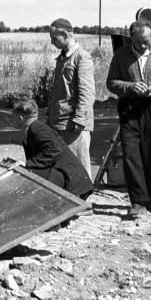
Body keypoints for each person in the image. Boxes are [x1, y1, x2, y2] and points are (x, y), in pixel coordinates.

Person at [106, 20, 151, 218]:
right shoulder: (121, 56)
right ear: (132, 38)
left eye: (147, 41)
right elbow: (111, 83)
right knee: (132, 155)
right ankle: (137, 202)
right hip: (129, 110)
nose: (143, 45)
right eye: (139, 42)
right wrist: (130, 87)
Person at [13, 99, 93, 203]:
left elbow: (55, 149)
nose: (12, 120)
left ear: (20, 118)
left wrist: (27, 164)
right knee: (27, 172)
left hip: (71, 181)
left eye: (13, 117)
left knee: (27, 173)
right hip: (67, 177)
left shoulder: (37, 128)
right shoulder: (31, 129)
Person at [47, 18, 96, 180]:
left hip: (74, 124)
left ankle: (84, 203)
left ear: (65, 35)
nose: (52, 42)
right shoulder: (62, 58)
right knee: (65, 168)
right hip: (60, 121)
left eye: (55, 38)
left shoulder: (82, 58)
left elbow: (87, 92)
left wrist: (80, 118)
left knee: (79, 168)